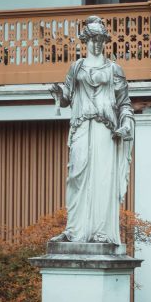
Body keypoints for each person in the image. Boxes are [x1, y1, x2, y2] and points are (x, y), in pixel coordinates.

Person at [49, 15, 134, 245]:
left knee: (103, 178)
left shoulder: (115, 69)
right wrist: (58, 94)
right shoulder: (76, 67)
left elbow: (125, 103)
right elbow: (67, 98)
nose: (96, 43)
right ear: (85, 41)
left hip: (105, 130)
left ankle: (101, 232)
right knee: (77, 175)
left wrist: (126, 125)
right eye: (92, 39)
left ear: (104, 41)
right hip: (81, 127)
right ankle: (74, 231)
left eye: (100, 39)